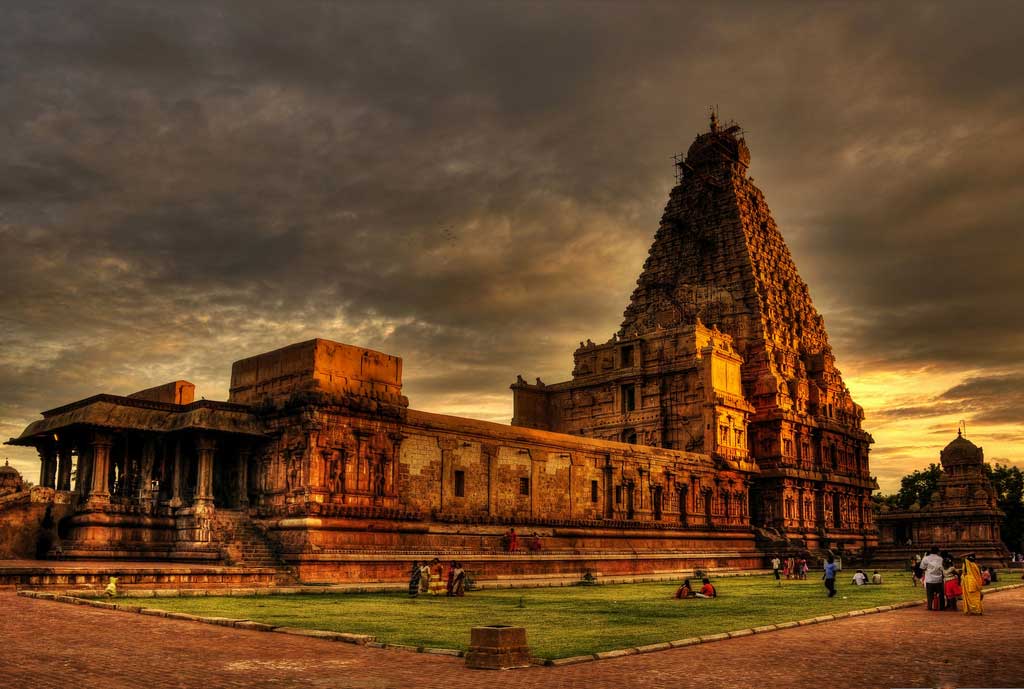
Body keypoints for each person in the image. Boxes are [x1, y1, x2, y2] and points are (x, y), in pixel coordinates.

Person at [920, 546, 945, 611]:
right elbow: (942, 569)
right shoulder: (940, 559)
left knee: (929, 594)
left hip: (929, 579)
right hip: (938, 579)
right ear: (937, 552)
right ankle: (941, 606)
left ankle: (930, 606)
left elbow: (922, 567)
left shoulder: (926, 558)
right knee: (940, 594)